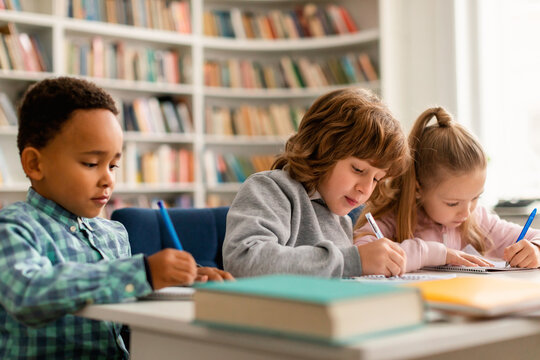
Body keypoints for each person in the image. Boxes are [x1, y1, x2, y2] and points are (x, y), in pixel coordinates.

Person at [0, 77, 232, 359]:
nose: (108, 179)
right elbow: (28, 294)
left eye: (113, 165)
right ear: (35, 164)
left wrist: (176, 281)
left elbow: (124, 300)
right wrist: (143, 273)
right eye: (91, 163)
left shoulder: (113, 233)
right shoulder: (14, 226)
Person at [222, 88, 410, 278]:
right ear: (324, 149)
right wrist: (354, 261)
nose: (366, 188)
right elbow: (243, 260)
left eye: (376, 179)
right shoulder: (270, 189)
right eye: (358, 170)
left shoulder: (341, 217)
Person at [354, 107, 540, 272]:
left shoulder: (479, 221)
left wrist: (535, 250)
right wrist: (433, 253)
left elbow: (536, 237)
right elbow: (360, 252)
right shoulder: (392, 219)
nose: (467, 212)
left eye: (476, 198)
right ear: (419, 188)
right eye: (453, 203)